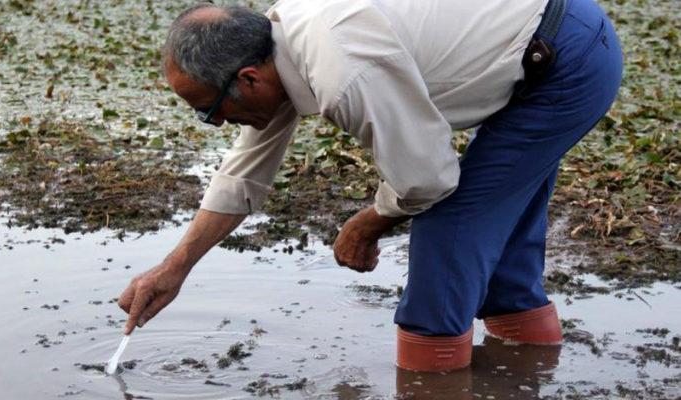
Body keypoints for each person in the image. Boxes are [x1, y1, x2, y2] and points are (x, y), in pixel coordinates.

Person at [118, 0, 622, 372]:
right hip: (550, 45)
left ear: (248, 79)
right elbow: (242, 175)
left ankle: (434, 376)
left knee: (449, 228)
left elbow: (427, 180)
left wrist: (367, 223)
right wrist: (174, 268)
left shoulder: (342, 70)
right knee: (501, 257)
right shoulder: (278, 42)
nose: (218, 124)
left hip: (565, 62)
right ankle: (527, 367)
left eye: (210, 111)